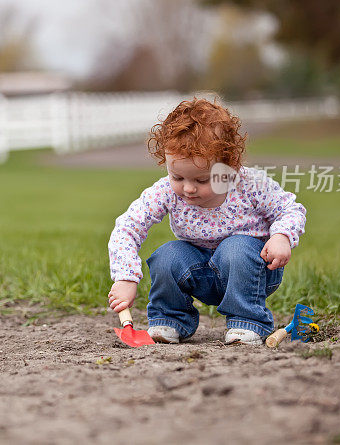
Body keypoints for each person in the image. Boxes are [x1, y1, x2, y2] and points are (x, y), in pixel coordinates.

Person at [107, 97, 306, 346]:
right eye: (177, 176)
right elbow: (128, 227)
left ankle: (247, 322)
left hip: (252, 271)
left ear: (229, 167)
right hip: (201, 272)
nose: (188, 188)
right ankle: (170, 319)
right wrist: (125, 277)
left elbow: (289, 209)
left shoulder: (250, 185)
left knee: (235, 247)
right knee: (166, 254)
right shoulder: (165, 192)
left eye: (202, 180)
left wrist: (281, 236)